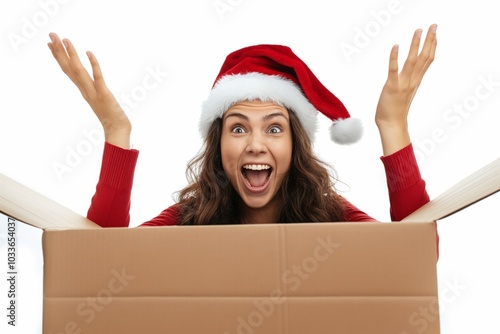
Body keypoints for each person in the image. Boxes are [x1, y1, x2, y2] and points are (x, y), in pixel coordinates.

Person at [47, 24, 437, 228]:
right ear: (218, 144)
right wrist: (116, 132)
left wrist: (393, 126)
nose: (254, 145)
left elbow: (412, 257)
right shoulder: (188, 222)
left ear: (295, 145)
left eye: (273, 128)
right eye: (237, 128)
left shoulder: (330, 216)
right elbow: (99, 264)